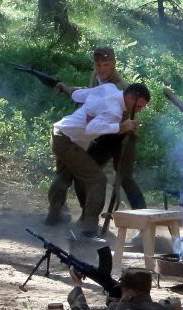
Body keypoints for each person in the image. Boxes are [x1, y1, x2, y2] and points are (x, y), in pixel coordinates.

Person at [46, 46, 146, 225]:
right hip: (99, 134)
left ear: (114, 64)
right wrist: (66, 88)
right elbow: (88, 93)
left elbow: (121, 118)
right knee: (80, 174)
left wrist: (98, 117)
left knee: (125, 177)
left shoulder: (121, 87)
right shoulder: (96, 77)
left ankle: (144, 222)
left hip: (121, 136)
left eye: (106, 65)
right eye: (99, 65)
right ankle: (83, 215)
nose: (102, 69)